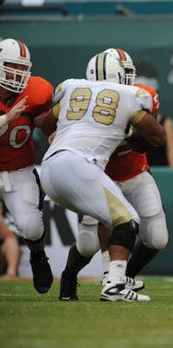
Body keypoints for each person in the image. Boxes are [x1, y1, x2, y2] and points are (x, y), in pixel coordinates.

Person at [39, 51, 165, 302]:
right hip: (86, 169)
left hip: (57, 167)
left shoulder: (73, 88)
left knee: (152, 233)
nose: (132, 78)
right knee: (109, 232)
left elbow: (45, 125)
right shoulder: (131, 96)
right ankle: (108, 282)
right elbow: (158, 137)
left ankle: (117, 278)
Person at [0, 38, 54, 294]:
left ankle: (38, 256)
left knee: (32, 226)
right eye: (12, 66)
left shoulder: (36, 91)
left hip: (18, 169)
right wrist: (7, 119)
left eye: (23, 67)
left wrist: (53, 133)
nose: (19, 73)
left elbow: (46, 123)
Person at [0, 202, 21, 278]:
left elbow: (11, 236)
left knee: (11, 241)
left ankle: (11, 274)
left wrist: (0, 219)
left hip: (2, 253)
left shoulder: (9, 209)